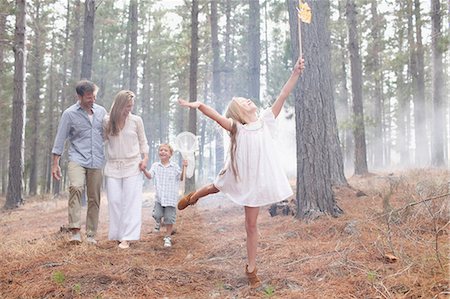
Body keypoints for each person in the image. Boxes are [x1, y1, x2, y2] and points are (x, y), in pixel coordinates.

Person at [177, 57, 305, 288]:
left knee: (251, 226)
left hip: (254, 182)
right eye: (243, 102)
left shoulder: (265, 120)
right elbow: (216, 116)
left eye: (247, 99)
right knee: (215, 186)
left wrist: (295, 72)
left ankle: (251, 268)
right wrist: (199, 106)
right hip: (238, 174)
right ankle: (193, 197)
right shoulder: (237, 127)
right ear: (239, 112)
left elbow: (283, 95)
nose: (248, 100)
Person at [52, 80, 107, 244]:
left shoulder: (101, 112)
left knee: (94, 197)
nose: (93, 100)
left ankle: (91, 234)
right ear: (80, 96)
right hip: (77, 158)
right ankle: (75, 231)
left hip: (96, 160)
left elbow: (107, 134)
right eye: (89, 97)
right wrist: (55, 163)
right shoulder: (69, 114)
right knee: (76, 187)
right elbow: (60, 139)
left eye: (94, 96)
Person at [103, 90, 149, 249]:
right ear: (119, 105)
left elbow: (143, 142)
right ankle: (117, 234)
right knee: (115, 200)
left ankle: (127, 237)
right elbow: (102, 140)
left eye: (131, 106)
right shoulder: (107, 121)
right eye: (127, 106)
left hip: (133, 165)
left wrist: (145, 159)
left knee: (130, 201)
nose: (129, 109)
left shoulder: (136, 121)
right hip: (113, 165)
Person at [143, 144, 187, 248]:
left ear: (170, 154)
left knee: (169, 218)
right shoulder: (155, 166)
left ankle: (167, 237)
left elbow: (181, 178)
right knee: (157, 215)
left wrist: (184, 167)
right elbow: (150, 176)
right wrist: (144, 170)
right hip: (159, 198)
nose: (162, 151)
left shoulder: (174, 166)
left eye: (165, 150)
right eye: (161, 150)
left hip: (170, 198)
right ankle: (158, 222)